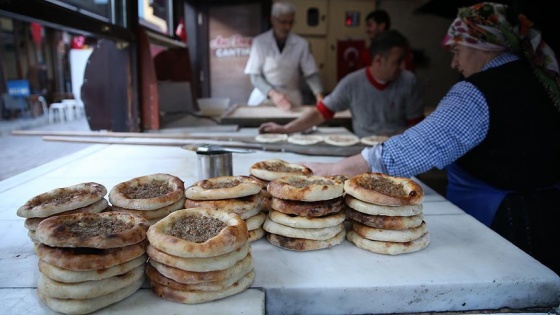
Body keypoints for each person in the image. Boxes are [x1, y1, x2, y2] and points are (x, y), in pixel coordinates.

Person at [301, 2, 560, 275]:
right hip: (550, 217)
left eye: (457, 50)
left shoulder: (477, 92)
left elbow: (414, 148)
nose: (454, 62)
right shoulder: (541, 81)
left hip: (501, 222)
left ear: (482, 45)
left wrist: (334, 169)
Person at [259, 29, 424, 137]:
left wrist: (390, 141)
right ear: (379, 60)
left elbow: (416, 127)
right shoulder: (352, 83)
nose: (402, 66)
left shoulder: (408, 81)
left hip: (398, 148)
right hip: (364, 151)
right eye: (398, 61)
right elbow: (320, 112)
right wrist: (286, 129)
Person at [244, 1, 324, 110]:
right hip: (263, 96)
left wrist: (320, 98)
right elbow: (255, 76)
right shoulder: (260, 43)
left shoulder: (301, 44)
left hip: (291, 98)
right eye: (283, 22)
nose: (287, 26)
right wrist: (273, 94)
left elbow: (311, 74)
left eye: (291, 22)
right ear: (273, 20)